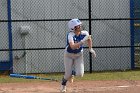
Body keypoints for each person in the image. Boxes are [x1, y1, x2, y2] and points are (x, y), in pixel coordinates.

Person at [60, 18, 96, 92]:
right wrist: (82, 41)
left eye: (79, 25)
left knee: (80, 74)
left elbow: (89, 39)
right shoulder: (70, 35)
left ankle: (73, 73)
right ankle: (63, 84)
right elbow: (72, 46)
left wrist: (90, 49)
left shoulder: (84, 33)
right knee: (67, 74)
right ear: (73, 28)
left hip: (79, 55)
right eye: (78, 25)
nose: (80, 26)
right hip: (69, 55)